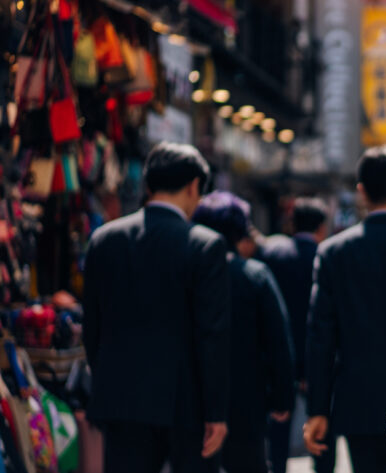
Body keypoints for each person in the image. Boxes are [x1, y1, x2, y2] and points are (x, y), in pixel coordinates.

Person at [83, 142, 229, 473]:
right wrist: (216, 412)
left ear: (149, 186)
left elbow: (92, 326)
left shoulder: (104, 240)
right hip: (185, 403)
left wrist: (106, 377)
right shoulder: (205, 245)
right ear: (193, 187)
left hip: (120, 397)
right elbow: (212, 334)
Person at [304, 147, 386, 473]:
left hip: (358, 401)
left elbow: (320, 338)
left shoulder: (333, 252)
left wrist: (317, 409)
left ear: (362, 192)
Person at [193, 192, 295, 473]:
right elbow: (278, 341)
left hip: (193, 399)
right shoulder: (254, 275)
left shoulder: (188, 273)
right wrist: (282, 397)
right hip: (247, 400)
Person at [261, 197, 331, 473]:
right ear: (321, 228)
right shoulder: (327, 256)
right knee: (322, 429)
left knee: (278, 427)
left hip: (279, 353)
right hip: (320, 356)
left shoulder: (273, 255)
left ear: (292, 224)